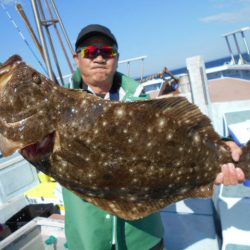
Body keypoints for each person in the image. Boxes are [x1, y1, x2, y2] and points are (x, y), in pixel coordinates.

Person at [62, 24, 245, 250]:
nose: (99, 57)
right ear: (76, 58)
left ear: (116, 58)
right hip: (87, 239)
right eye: (90, 52)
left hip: (143, 238)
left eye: (107, 52)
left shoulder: (143, 103)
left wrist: (221, 148)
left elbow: (181, 140)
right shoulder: (60, 106)